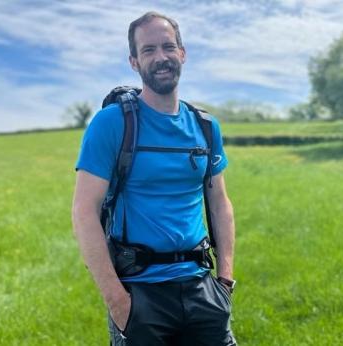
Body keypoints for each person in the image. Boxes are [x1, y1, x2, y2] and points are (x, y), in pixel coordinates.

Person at [72, 11, 236, 345]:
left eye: (167, 47)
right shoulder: (112, 123)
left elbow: (219, 203)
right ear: (134, 61)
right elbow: (83, 211)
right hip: (139, 292)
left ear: (182, 53)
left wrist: (226, 279)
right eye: (148, 50)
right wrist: (118, 302)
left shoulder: (205, 127)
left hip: (202, 286)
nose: (160, 57)